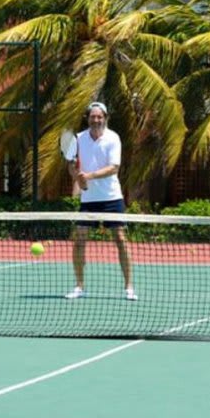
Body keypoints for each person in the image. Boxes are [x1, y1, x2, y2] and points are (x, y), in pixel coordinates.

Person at [65, 102, 137, 301]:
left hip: (111, 197)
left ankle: (129, 287)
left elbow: (114, 168)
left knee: (121, 240)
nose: (96, 120)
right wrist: (75, 174)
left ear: (105, 118)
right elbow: (71, 166)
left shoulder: (113, 138)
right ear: (88, 118)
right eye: (92, 117)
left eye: (99, 117)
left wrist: (88, 176)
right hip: (88, 200)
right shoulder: (78, 139)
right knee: (79, 241)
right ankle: (79, 286)